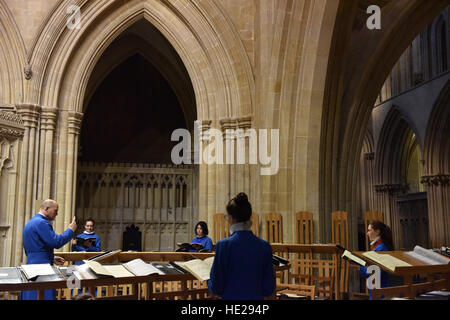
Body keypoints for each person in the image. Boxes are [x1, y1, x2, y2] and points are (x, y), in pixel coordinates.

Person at [208, 192, 275, 299]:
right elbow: (268, 288)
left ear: (231, 218)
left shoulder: (223, 246)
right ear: (250, 218)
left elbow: (217, 287)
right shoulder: (264, 246)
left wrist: (208, 281)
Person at [21, 199, 77, 300]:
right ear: (47, 208)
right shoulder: (42, 222)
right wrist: (70, 230)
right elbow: (56, 242)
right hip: (42, 269)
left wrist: (52, 257)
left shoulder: (31, 222)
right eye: (55, 211)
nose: (57, 214)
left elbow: (36, 248)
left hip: (31, 266)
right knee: (43, 296)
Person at [359, 220, 393, 299]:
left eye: (369, 230)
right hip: (378, 288)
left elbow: (371, 271)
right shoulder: (379, 246)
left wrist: (359, 265)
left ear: (377, 232)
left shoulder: (380, 248)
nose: (367, 233)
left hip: (380, 289)